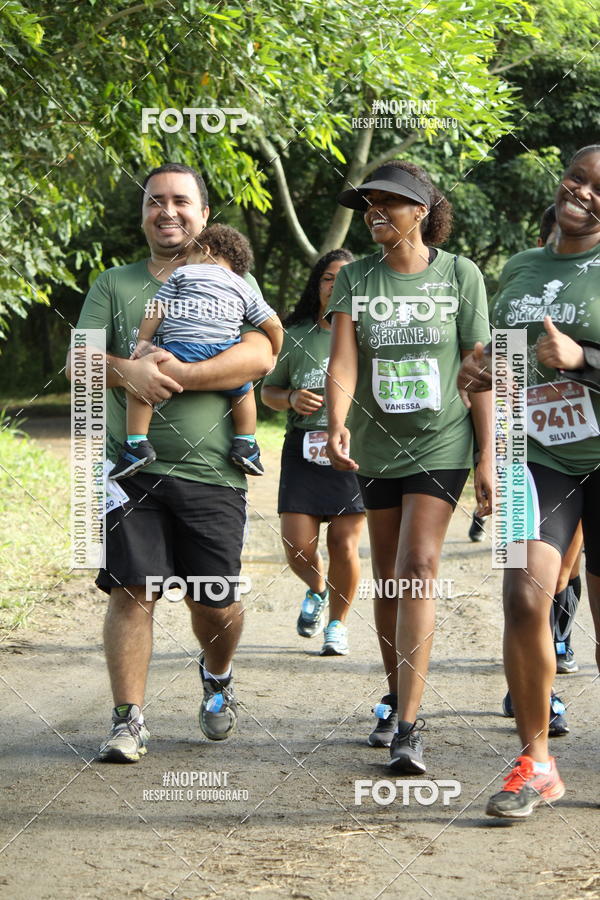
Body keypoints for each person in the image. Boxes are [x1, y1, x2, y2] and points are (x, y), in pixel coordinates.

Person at [67, 162, 274, 762]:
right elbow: (80, 363)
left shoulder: (231, 279)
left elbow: (262, 353)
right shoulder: (115, 284)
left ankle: (217, 676)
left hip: (213, 471)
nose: (167, 211)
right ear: (143, 214)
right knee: (133, 589)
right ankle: (128, 719)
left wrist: (183, 372)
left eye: (181, 201)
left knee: (213, 597)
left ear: (203, 214)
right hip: (128, 471)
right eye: (155, 201)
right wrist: (124, 369)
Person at [325, 161, 492, 773]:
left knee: (417, 566)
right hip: (375, 444)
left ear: (421, 210)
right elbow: (343, 359)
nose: (373, 211)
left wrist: (487, 455)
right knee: (391, 574)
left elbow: (477, 370)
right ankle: (397, 695)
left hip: (440, 442)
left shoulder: (459, 275)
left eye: (387, 202)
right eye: (367, 204)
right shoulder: (356, 279)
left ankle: (411, 726)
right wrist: (335, 420)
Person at [469, 145, 600, 818]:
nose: (581, 192)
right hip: (537, 454)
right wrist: (486, 369)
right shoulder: (521, 268)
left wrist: (585, 358)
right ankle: (536, 763)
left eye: (597, 187)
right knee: (524, 596)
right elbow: (509, 356)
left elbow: (573, 357)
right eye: (577, 177)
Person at [109, 224, 283, 481]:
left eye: (189, 254)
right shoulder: (242, 285)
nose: (184, 261)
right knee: (244, 388)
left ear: (205, 250)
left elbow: (157, 307)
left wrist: (144, 342)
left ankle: (137, 444)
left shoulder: (184, 274)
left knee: (140, 382)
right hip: (223, 353)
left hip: (180, 349)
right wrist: (274, 354)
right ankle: (246, 443)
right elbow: (273, 324)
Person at [261, 250, 365, 655]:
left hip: (354, 449)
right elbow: (266, 392)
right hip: (303, 448)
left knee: (344, 544)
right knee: (297, 545)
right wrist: (289, 397)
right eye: (327, 278)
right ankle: (319, 589)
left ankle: (337, 625)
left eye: (345, 279)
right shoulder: (296, 334)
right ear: (316, 285)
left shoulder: (368, 332)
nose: (335, 285)